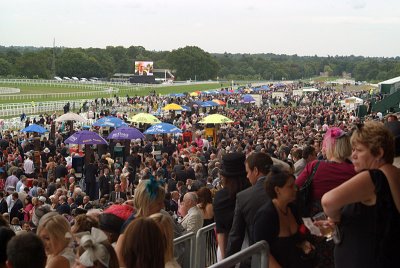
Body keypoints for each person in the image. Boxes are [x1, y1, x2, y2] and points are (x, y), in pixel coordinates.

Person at [322, 121, 400, 268]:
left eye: (358, 150)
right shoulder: (394, 173)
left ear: (378, 153)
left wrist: (335, 217)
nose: (353, 156)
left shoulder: (374, 178)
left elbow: (328, 201)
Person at [254, 167, 314, 268]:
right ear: (277, 190)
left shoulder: (292, 207)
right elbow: (263, 253)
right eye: (290, 186)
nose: (295, 189)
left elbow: (296, 240)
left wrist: (303, 243)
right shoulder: (265, 216)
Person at [226, 152, 273, 266]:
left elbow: (236, 236)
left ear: (256, 171)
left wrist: (227, 264)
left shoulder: (243, 197)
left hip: (259, 258)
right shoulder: (287, 188)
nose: (247, 176)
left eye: (247, 172)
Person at [212, 152, 250, 260]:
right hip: (252, 246)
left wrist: (225, 260)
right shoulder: (251, 190)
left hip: (231, 248)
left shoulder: (221, 197)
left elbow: (221, 231)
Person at [196, 187, 217, 266]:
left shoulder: (197, 206)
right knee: (211, 254)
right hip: (210, 232)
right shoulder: (210, 206)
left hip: (201, 232)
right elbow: (213, 218)